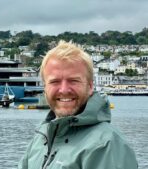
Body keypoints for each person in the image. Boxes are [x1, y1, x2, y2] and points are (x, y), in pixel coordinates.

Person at [18, 40, 138, 169]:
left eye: (73, 81)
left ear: (90, 86)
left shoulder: (106, 145)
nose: (64, 90)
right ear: (45, 87)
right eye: (55, 81)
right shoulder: (41, 139)